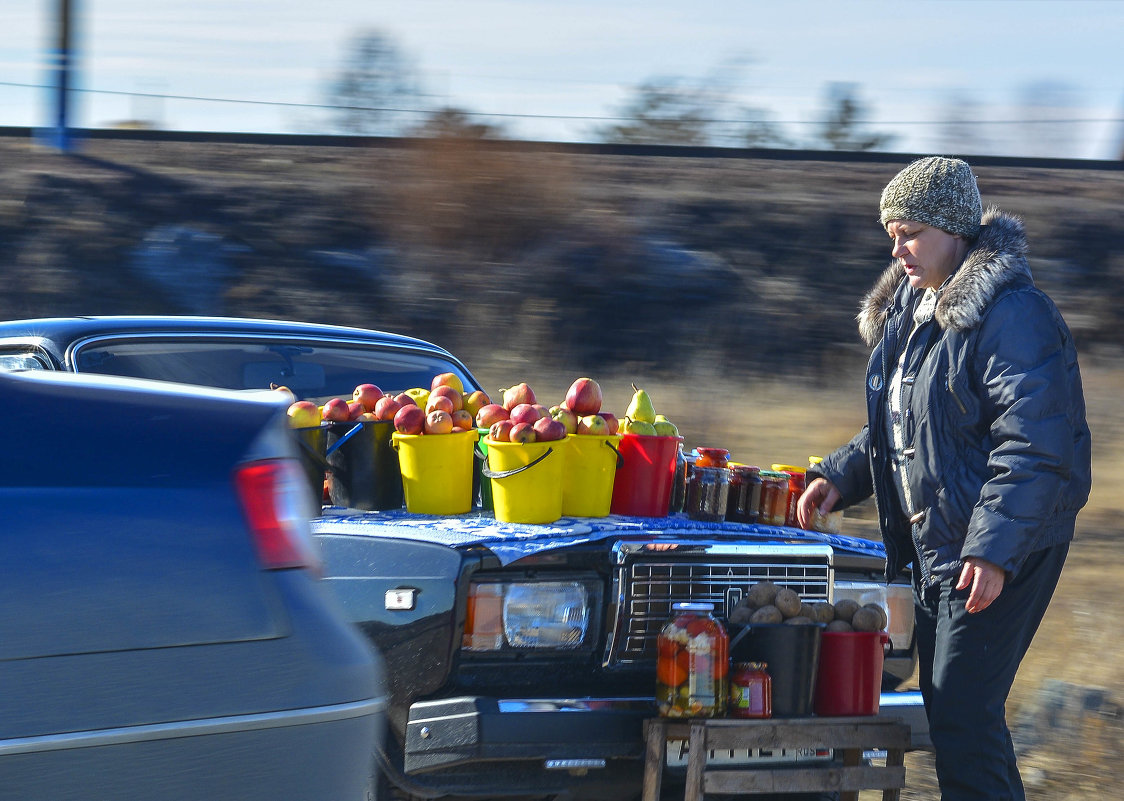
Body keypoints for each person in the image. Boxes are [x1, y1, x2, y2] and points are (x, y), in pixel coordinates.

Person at [797, 156, 1091, 801]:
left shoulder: (1014, 315)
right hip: (945, 542)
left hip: (1003, 542)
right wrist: (842, 475)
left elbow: (1037, 446)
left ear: (954, 228)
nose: (896, 248)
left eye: (910, 232)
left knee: (962, 709)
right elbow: (909, 422)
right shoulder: (915, 306)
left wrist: (992, 552)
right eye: (891, 234)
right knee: (949, 707)